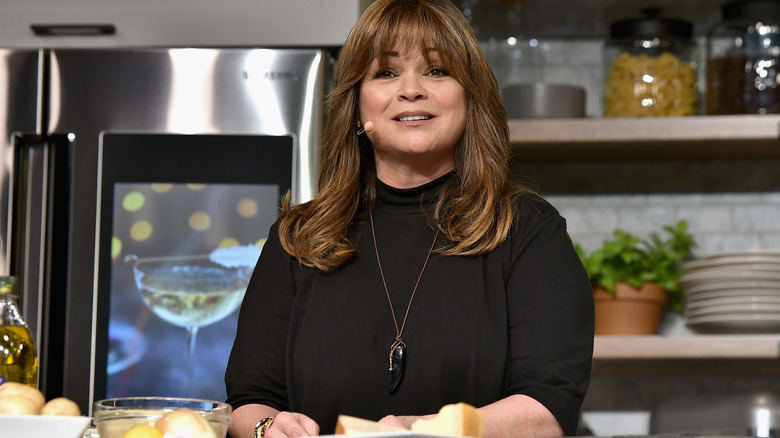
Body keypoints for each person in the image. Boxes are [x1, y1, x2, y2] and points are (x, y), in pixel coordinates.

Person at [224, 0, 595, 437]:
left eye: (437, 71)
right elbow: (248, 402)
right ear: (357, 104)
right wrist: (269, 428)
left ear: (469, 96)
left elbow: (547, 410)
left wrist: (421, 431)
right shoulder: (299, 238)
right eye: (385, 72)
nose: (411, 89)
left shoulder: (527, 230)